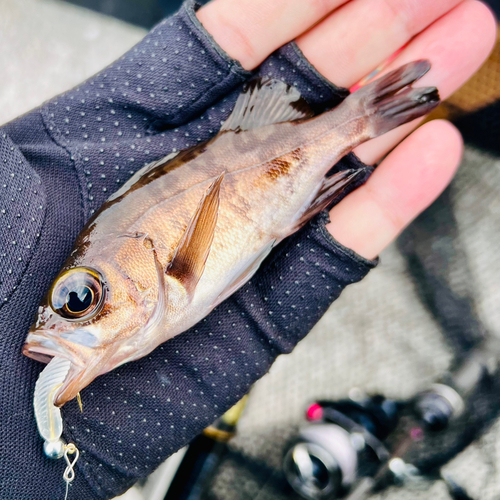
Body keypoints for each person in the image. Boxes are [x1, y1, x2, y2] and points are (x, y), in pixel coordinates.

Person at [0, 0, 496, 498]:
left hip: (272, 163)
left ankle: (363, 115)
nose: (70, 319)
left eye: (81, 298)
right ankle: (361, 117)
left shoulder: (172, 275)